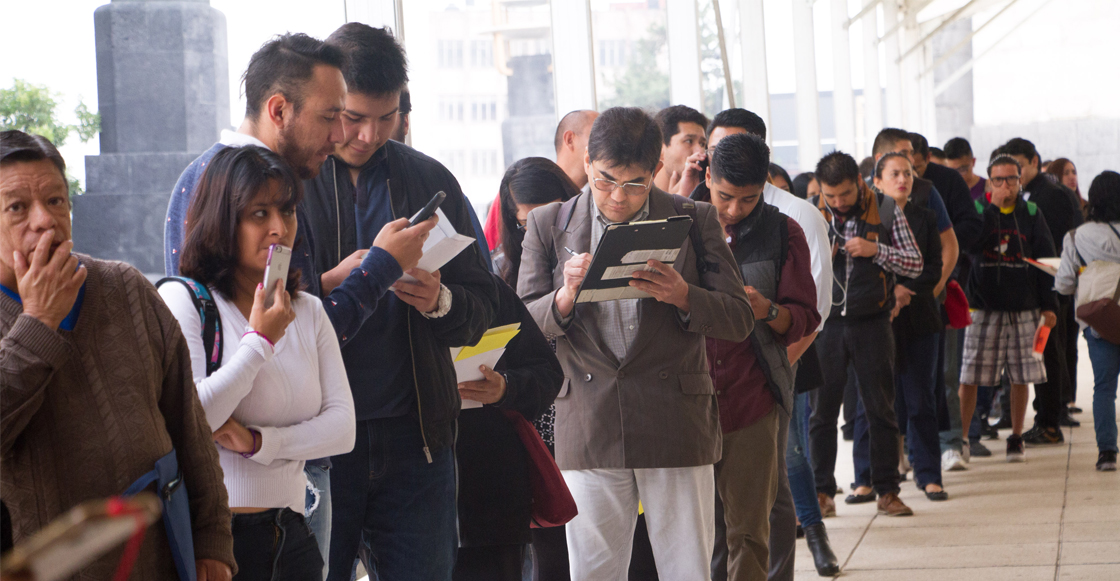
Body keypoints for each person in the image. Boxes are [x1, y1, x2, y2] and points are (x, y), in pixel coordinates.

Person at [517, 106, 753, 580]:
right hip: (590, 418)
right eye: (605, 181)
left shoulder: (693, 217)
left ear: (657, 170)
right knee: (594, 572)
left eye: (634, 184)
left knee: (688, 569)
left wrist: (684, 295)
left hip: (675, 421)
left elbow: (740, 318)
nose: (618, 198)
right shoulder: (548, 223)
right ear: (586, 161)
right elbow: (522, 327)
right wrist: (564, 297)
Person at [300, 23, 500, 581]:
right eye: (353, 117)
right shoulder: (290, 183)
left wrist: (441, 301)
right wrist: (330, 282)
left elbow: (484, 305)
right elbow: (256, 311)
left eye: (386, 118)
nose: (368, 135)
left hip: (418, 439)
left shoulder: (429, 179)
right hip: (318, 441)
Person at [1, 130, 236, 580]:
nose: (45, 221)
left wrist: (212, 541)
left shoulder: (125, 288)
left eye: (55, 201)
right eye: (17, 207)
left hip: (158, 556)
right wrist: (38, 322)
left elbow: (188, 427)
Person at [161, 145, 356, 580]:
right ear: (222, 222)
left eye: (286, 212)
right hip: (215, 541)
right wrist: (259, 343)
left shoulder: (307, 309)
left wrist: (259, 443)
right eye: (258, 214)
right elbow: (191, 420)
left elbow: (343, 429)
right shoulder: (186, 301)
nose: (277, 229)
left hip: (293, 530)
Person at [689, 108, 835, 581]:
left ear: (765, 189)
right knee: (697, 532)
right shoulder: (675, 222)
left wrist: (768, 310)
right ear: (707, 175)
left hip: (753, 395)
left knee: (750, 530)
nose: (733, 210)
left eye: (748, 200)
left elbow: (806, 318)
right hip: (686, 396)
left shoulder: (783, 229)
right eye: (725, 196)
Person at [808, 151, 923, 518]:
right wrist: (821, 258)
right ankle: (822, 492)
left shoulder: (887, 208)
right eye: (831, 196)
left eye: (844, 194)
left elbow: (915, 263)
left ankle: (887, 490)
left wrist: (878, 251)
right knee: (821, 413)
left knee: (880, 410)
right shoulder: (811, 211)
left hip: (873, 322)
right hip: (825, 326)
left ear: (859, 183)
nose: (838, 203)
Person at [488, 158, 577, 581]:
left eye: (549, 214)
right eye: (525, 223)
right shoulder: (501, 267)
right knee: (550, 550)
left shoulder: (589, 250)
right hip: (538, 414)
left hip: (588, 405)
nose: (537, 228)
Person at [454, 273, 563, 580]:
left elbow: (547, 373)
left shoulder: (486, 287)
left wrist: (505, 388)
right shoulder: (378, 288)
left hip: (490, 495)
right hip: (406, 498)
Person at [959, 155, 1058, 463]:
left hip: (1024, 308)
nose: (1006, 185)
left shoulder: (1031, 212)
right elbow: (970, 246)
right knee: (970, 376)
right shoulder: (977, 211)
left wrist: (1049, 305)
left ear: (1020, 180)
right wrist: (992, 209)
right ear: (989, 182)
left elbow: (1046, 260)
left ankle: (1016, 436)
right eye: (999, 180)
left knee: (1020, 375)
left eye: (1012, 179)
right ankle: (962, 440)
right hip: (982, 308)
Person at [865, 153, 946, 501]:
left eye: (908, 173)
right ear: (877, 181)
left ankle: (929, 473)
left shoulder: (925, 217)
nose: (903, 179)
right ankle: (869, 476)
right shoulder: (868, 219)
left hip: (919, 316)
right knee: (878, 401)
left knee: (920, 399)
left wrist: (903, 289)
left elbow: (933, 267)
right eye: (894, 174)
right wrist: (887, 292)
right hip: (877, 319)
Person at [1000, 137, 1082, 443]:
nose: (1014, 175)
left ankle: (1050, 421)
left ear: (1035, 161)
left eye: (1019, 167)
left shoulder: (1051, 196)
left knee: (1048, 352)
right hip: (1039, 289)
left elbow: (1056, 245)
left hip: (1050, 289)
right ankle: (1047, 416)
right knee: (1042, 352)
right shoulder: (1033, 193)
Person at [1054, 170, 1120, 472]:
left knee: (1104, 389)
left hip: (1099, 323)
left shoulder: (1076, 236)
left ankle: (1107, 452)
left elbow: (1065, 284)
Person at [483, 110, 597, 252]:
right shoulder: (514, 192)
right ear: (569, 139)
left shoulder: (593, 206)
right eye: (597, 138)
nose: (606, 145)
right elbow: (489, 258)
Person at [652, 104, 709, 195]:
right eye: (689, 141)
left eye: (702, 144)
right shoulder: (638, 198)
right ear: (660, 150)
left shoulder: (707, 197)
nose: (700, 151)